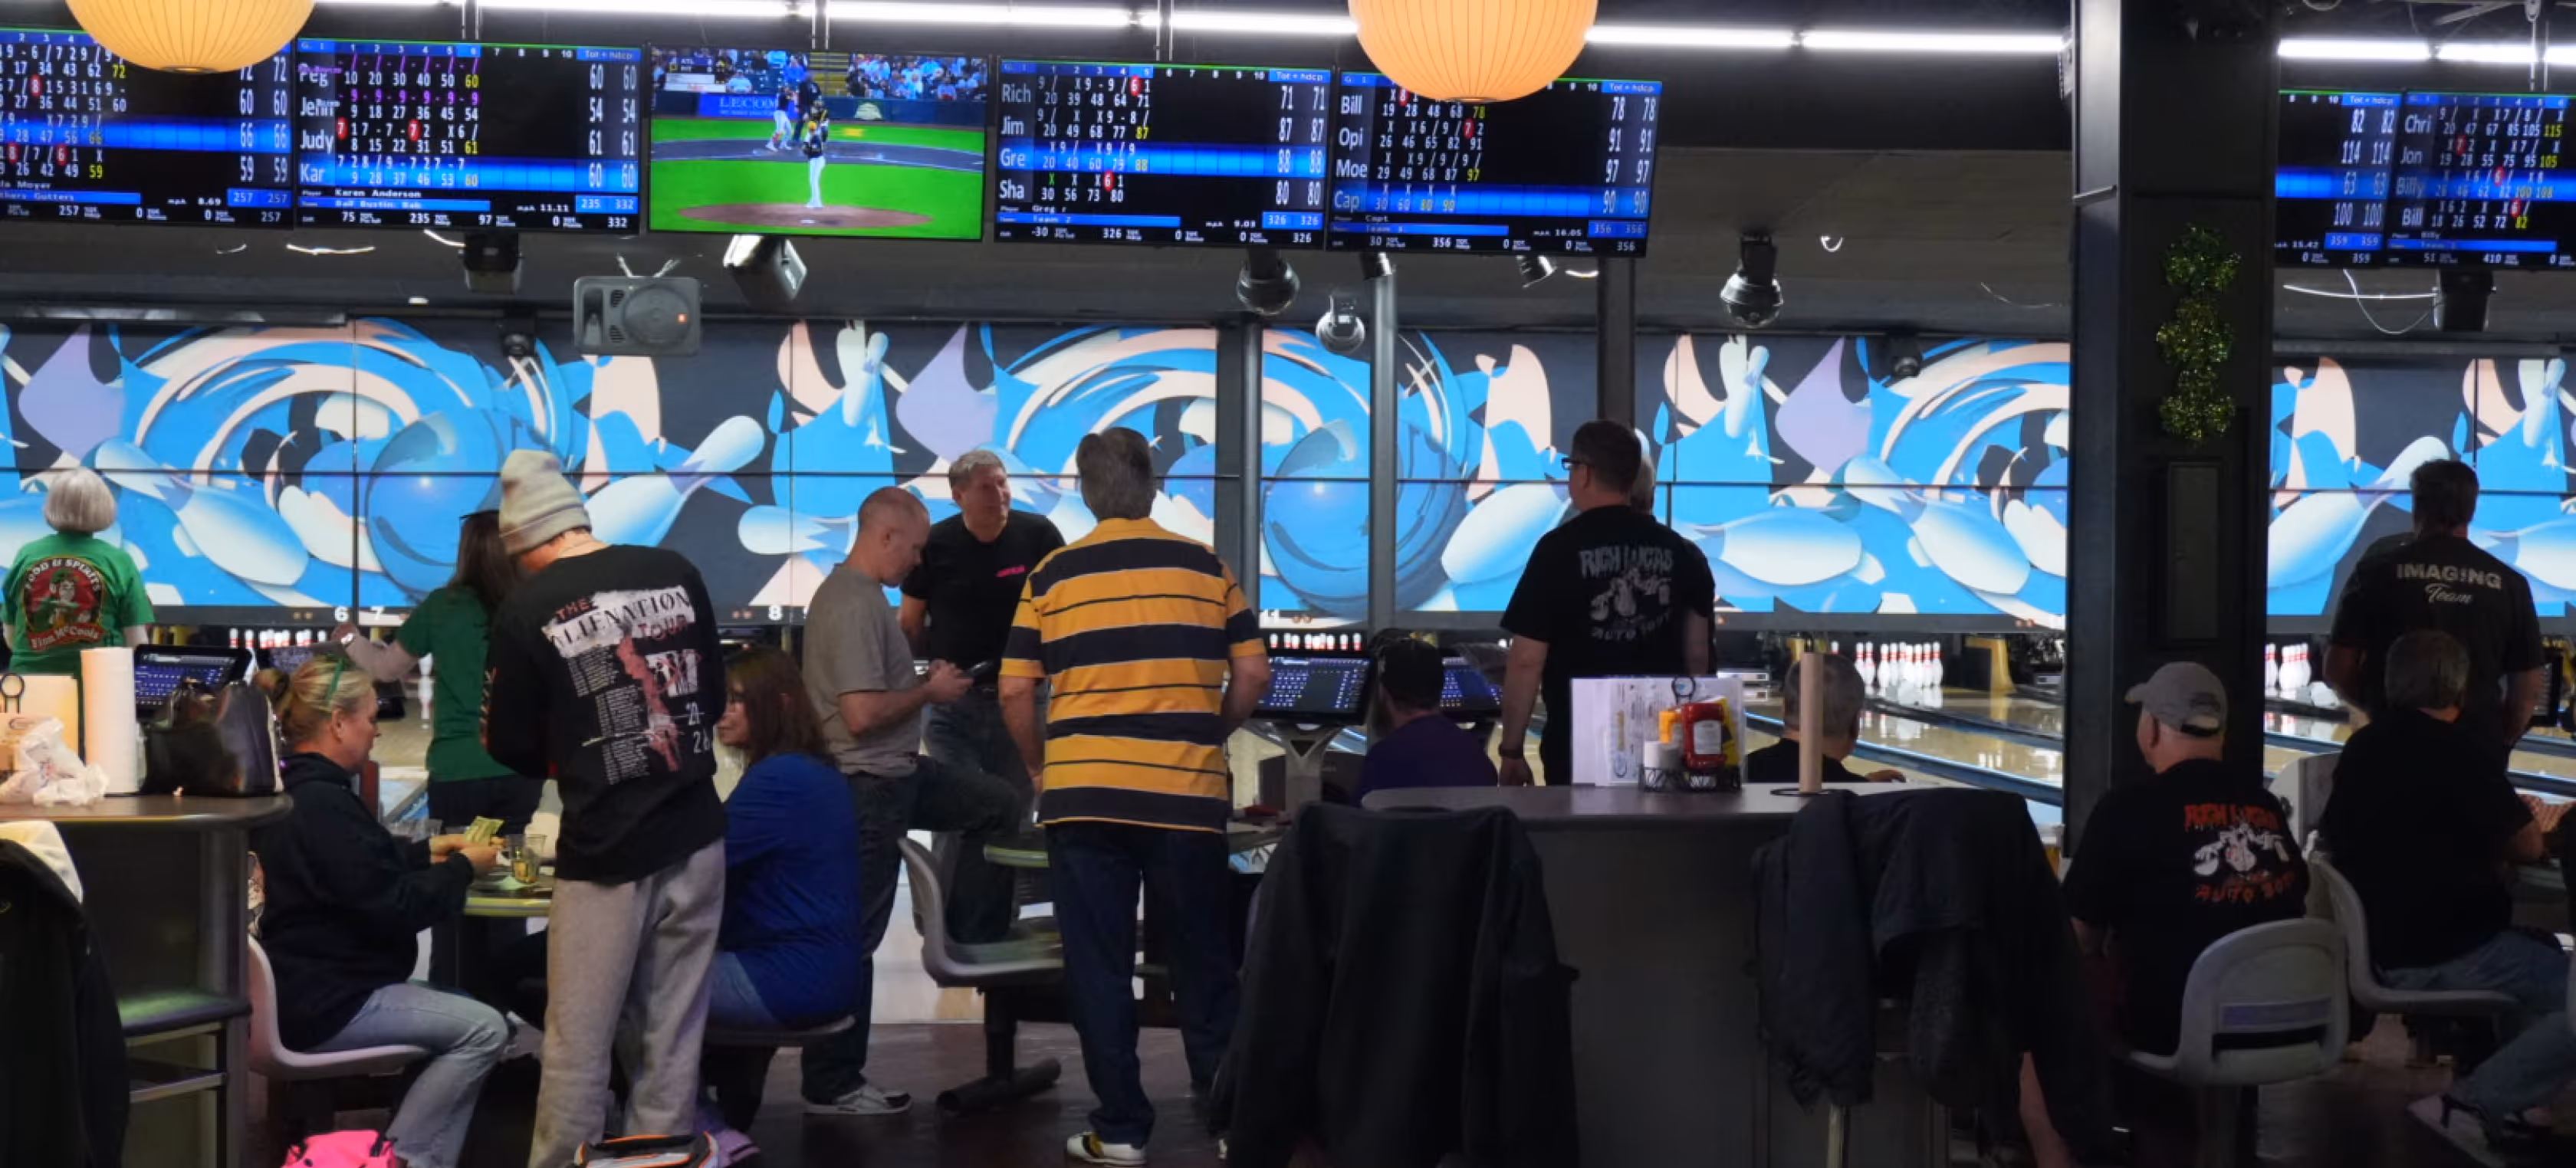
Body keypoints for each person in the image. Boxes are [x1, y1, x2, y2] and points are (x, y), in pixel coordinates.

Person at [1000, 428, 1269, 1166]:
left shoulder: (1052, 574)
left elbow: (1016, 688)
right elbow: (1253, 674)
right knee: (1204, 962)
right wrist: (1209, 731)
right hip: (1184, 796)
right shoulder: (1207, 565)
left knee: (1100, 965)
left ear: (1085, 492)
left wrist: (1041, 766)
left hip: (1084, 796)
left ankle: (1119, 1130)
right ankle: (1225, 1123)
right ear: (1151, 485)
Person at [480, 449, 728, 1168]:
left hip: (605, 850)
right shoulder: (677, 572)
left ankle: (563, 1160)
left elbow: (508, 742)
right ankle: (664, 1156)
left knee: (578, 1038)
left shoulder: (527, 607)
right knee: (673, 1029)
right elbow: (708, 700)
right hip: (697, 832)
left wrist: (572, 753)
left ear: (523, 541)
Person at [798, 487, 1024, 1119]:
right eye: (916, 549)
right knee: (859, 933)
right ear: (886, 536)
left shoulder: (871, 599)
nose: (918, 563)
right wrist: (930, 694)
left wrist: (928, 684)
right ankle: (833, 1082)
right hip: (868, 781)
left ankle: (974, 938)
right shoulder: (848, 604)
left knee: (997, 803)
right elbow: (863, 713)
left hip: (900, 771)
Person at [2032, 662, 2306, 1168]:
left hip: (2178, 1029)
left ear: (2153, 727)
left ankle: (2066, 1154)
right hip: (2292, 1020)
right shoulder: (2267, 808)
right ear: (2220, 730)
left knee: (2044, 987)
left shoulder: (2128, 810)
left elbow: (2075, 939)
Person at [2320, 630, 2576, 1162]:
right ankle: (2472, 1104)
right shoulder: (2460, 753)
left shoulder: (2363, 747)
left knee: (2544, 956)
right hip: (2440, 953)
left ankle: (2514, 1106)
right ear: (2460, 691)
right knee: (2569, 989)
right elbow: (2528, 845)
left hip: (2381, 945)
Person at [251, 658, 508, 1168]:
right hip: (333, 1001)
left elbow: (351, 869)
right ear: (338, 722)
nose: (376, 733)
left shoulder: (295, 792)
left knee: (457, 1009)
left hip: (302, 987)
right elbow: (393, 909)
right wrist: (461, 869)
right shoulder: (326, 805)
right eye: (369, 719)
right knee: (486, 1028)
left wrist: (424, 853)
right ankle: (402, 1159)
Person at [695, 646, 864, 1165]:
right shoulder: (805, 771)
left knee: (618, 979)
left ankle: (699, 1127)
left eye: (737, 700)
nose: (721, 711)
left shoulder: (780, 780)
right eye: (718, 700)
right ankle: (711, 1100)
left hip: (789, 979)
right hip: (815, 972)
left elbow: (697, 867)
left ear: (782, 704)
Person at [900, 449, 1064, 942]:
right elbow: (909, 621)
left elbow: (1064, 612)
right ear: (959, 495)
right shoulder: (938, 544)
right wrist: (928, 673)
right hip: (954, 705)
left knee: (1012, 814)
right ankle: (944, 925)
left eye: (1003, 482)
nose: (1001, 493)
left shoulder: (1039, 537)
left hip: (1024, 701)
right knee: (959, 812)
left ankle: (995, 924)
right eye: (989, 486)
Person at [1497, 422, 1717, 786]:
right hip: (1662, 744)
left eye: (1570, 467)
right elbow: (1697, 660)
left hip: (1574, 745)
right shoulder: (1683, 552)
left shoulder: (1557, 550)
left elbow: (1526, 659)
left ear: (1584, 473)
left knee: (1580, 842)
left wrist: (1512, 750)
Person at [2326, 458, 2545, 753]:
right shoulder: (2510, 584)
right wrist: (2501, 739)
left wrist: (2380, 712)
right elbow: (2528, 688)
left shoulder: (2376, 572)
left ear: (2418, 507)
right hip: (2475, 747)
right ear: (2472, 509)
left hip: (2394, 744)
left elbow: (2337, 668)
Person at [3, 467, 150, 676]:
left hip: (28, 686)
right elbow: (136, 641)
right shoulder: (119, 561)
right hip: (98, 687)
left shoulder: (27, 555)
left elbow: (11, 635)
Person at [1355, 636, 1497, 803]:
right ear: (1441, 688)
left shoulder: (1384, 757)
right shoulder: (1475, 754)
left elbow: (1359, 823)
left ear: (1383, 692)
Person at [1742, 654, 1905, 786]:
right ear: (1856, 723)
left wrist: (1862, 783)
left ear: (1784, 708)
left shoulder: (1739, 774)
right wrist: (1861, 786)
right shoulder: (1855, 800)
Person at [803, 106, 832, 212]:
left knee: (814, 180)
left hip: (818, 161)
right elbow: (805, 147)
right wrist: (806, 148)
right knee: (812, 180)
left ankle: (817, 203)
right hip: (813, 160)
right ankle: (815, 201)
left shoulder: (815, 138)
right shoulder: (809, 136)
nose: (810, 130)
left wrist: (807, 149)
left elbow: (816, 151)